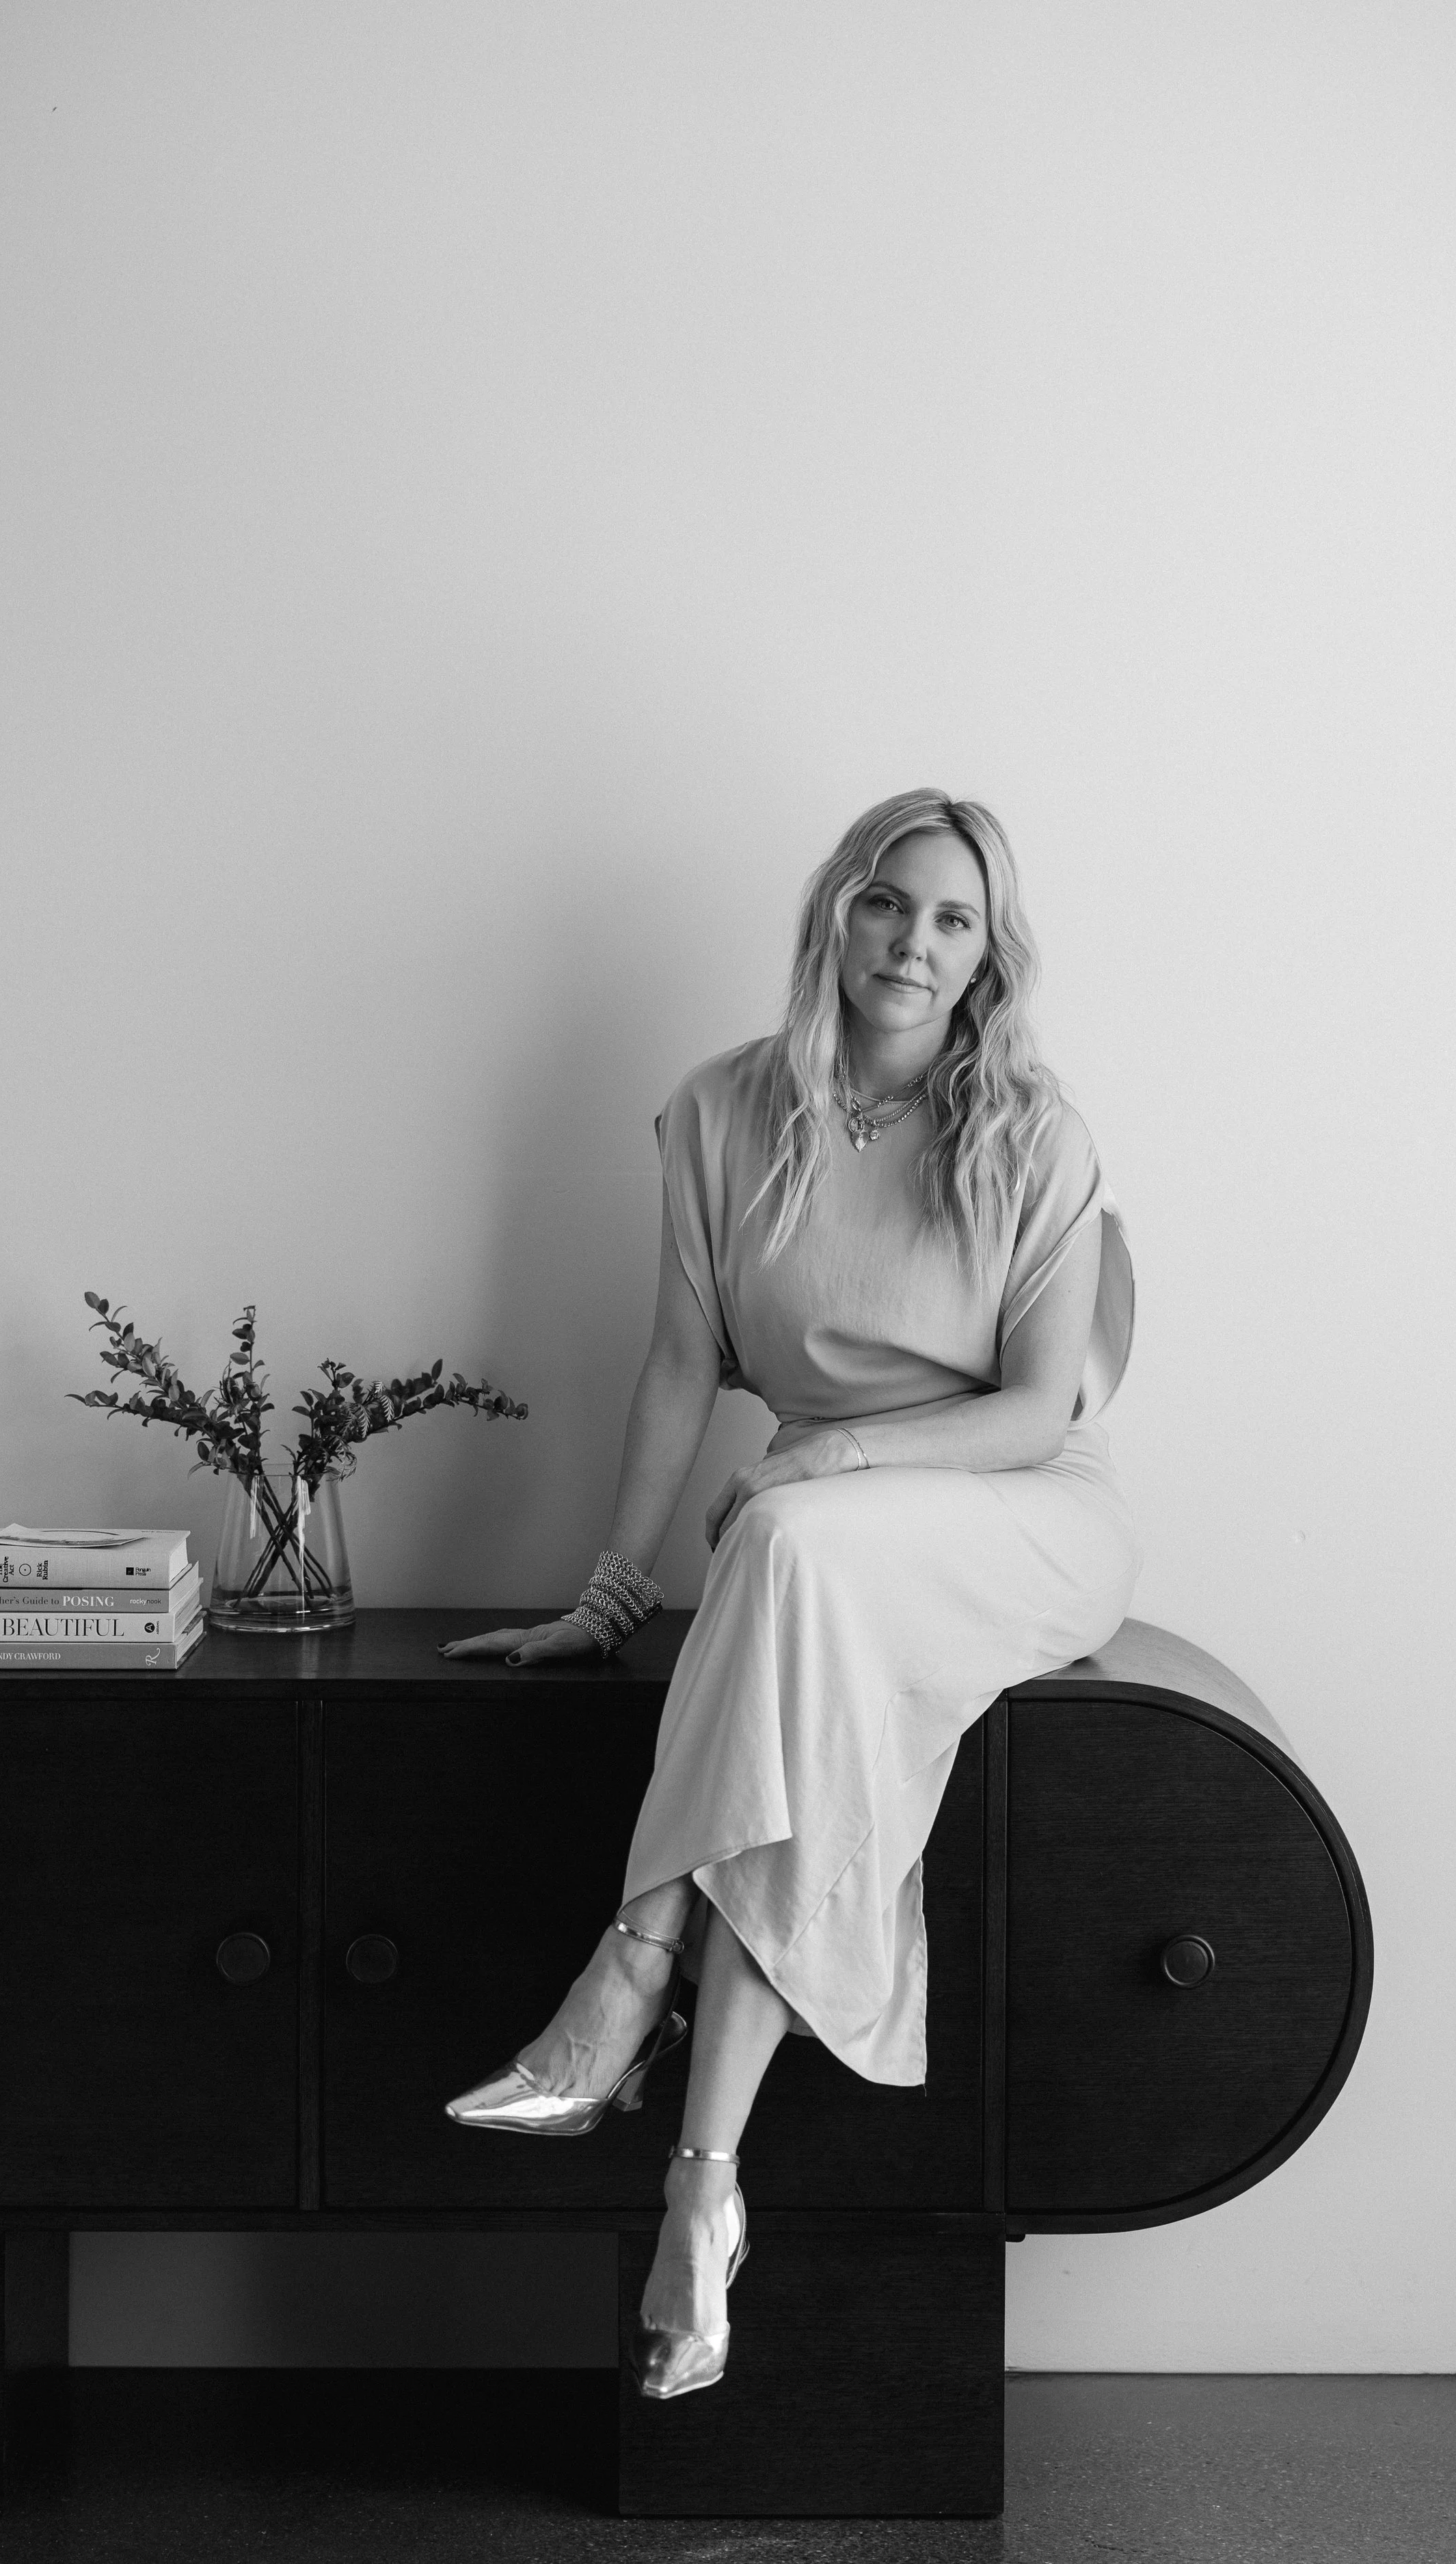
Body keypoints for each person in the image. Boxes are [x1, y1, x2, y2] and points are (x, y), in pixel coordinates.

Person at [438, 788, 1140, 2399]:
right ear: (836, 912)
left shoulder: (1035, 1133)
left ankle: (624, 1977)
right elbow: (681, 1363)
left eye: (952, 920)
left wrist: (830, 1465)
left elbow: (1041, 1412)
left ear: (986, 956)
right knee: (786, 1590)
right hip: (810, 1545)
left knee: (784, 1539)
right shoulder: (715, 1115)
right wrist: (611, 1596)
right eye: (890, 903)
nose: (913, 941)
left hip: (1013, 1511)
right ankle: (702, 2185)